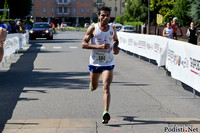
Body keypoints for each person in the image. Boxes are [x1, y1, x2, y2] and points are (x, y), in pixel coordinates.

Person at [81, 6, 119, 124]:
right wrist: (98, 47)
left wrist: (116, 47)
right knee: (95, 86)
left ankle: (105, 112)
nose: (105, 17)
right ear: (98, 16)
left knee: (106, 86)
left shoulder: (112, 28)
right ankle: (92, 84)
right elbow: (83, 44)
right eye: (103, 15)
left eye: (107, 15)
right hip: (95, 62)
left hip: (108, 62)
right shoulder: (93, 28)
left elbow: (115, 40)